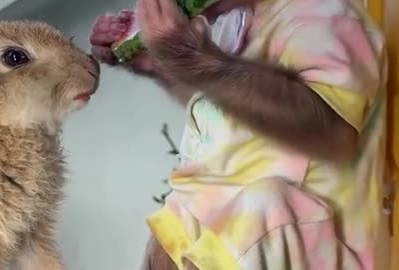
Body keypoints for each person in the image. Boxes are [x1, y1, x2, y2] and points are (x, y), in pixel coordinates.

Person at [89, 0, 391, 269]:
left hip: (322, 249)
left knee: (259, 205)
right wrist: (158, 64)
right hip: (242, 247)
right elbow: (235, 118)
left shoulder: (324, 13)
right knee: (186, 209)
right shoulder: (240, 26)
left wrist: (189, 57)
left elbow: (332, 134)